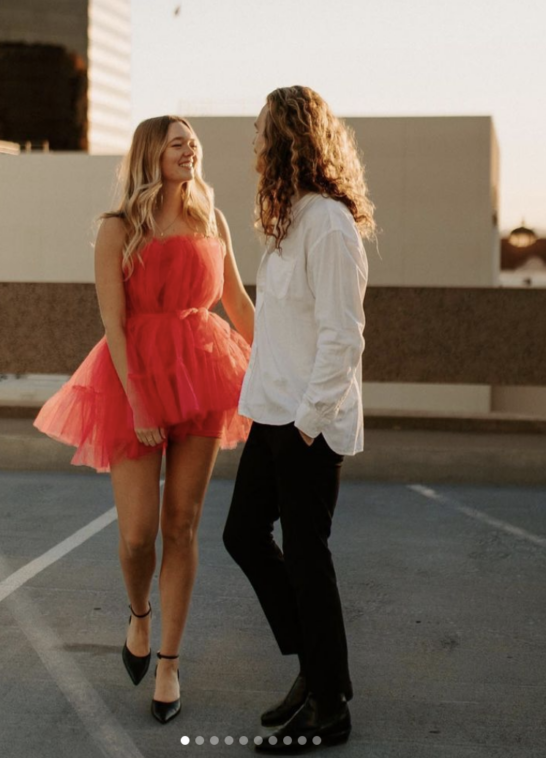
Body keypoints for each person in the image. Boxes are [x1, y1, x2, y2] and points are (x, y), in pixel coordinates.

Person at [34, 115, 255, 724]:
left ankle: (169, 666)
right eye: (177, 143)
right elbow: (113, 322)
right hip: (133, 380)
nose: (191, 150)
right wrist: (139, 401)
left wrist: (272, 375)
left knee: (181, 525)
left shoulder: (213, 219)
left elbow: (235, 304)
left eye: (193, 142)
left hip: (205, 374)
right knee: (138, 536)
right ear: (150, 156)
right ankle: (138, 617)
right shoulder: (117, 228)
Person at [223, 87, 375, 753]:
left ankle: (328, 704)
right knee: (241, 535)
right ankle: (314, 671)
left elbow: (344, 337)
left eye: (262, 132)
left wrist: (309, 423)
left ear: (286, 142)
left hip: (307, 422)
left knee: (308, 559)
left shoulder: (329, 226)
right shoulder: (288, 223)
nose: (254, 143)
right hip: (272, 413)